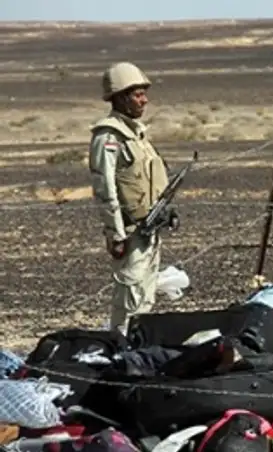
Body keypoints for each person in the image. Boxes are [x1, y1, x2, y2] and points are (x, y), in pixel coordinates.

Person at [88, 61, 176, 334]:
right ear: (120, 97)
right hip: (129, 232)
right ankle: (121, 344)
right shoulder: (108, 136)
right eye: (137, 95)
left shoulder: (138, 135)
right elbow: (105, 188)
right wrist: (115, 234)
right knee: (129, 298)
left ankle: (136, 346)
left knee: (145, 297)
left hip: (150, 228)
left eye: (144, 94)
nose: (144, 100)